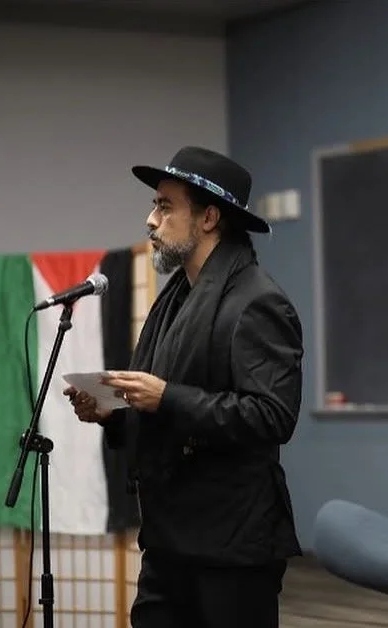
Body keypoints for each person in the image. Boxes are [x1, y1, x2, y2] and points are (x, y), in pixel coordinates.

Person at [63, 146, 304, 627]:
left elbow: (272, 415)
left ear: (209, 217)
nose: (151, 220)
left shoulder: (259, 302)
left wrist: (165, 397)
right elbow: (169, 406)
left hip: (232, 543)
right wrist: (116, 413)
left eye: (165, 205)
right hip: (169, 536)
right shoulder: (177, 297)